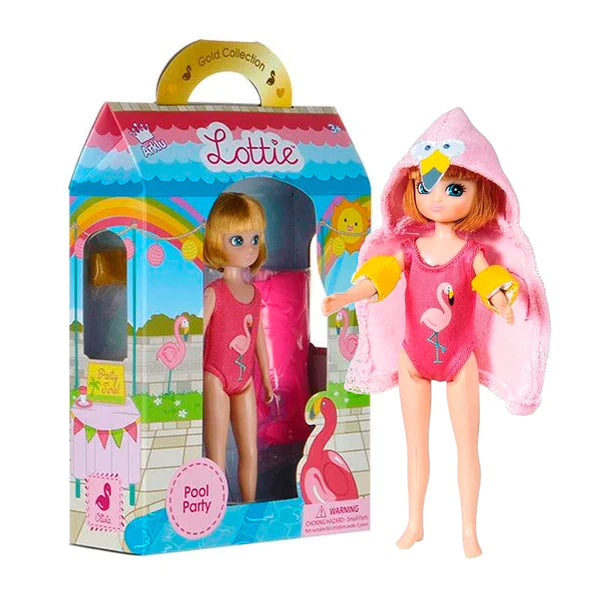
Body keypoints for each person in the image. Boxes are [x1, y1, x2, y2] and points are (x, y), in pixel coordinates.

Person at [322, 109, 549, 557]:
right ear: (410, 187)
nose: (438, 199)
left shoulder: (471, 252)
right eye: (425, 187)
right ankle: (415, 523)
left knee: (467, 447)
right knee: (415, 446)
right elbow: (381, 276)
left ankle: (469, 530)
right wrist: (347, 296)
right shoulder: (409, 249)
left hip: (460, 359)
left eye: (455, 189)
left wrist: (503, 302)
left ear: (481, 190)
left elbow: (490, 283)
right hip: (414, 359)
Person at [203, 192, 274, 504]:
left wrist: (267, 379)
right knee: (216, 453)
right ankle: (215, 507)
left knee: (250, 450)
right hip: (216, 377)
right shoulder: (214, 293)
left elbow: (257, 338)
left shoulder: (254, 294)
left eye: (254, 239)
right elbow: (198, 336)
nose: (249, 248)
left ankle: (250, 505)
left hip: (245, 380)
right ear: (217, 241)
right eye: (238, 240)